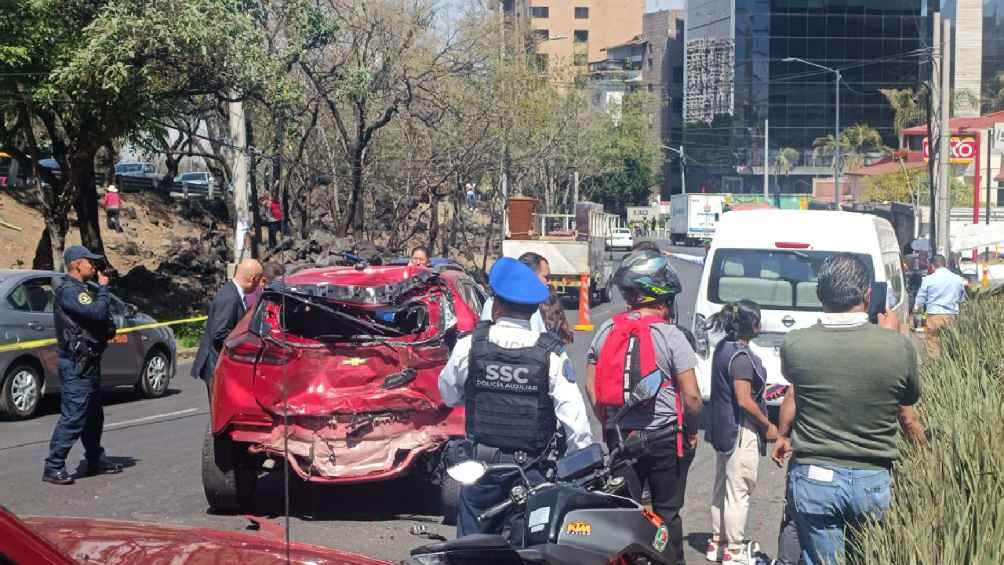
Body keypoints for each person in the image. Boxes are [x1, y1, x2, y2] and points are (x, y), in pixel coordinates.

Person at [771, 253, 926, 565]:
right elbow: (907, 407)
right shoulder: (897, 347)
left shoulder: (796, 344)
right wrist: (894, 336)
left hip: (814, 477)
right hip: (873, 478)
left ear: (818, 295)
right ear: (868, 296)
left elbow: (795, 385)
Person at [439, 257, 593, 537]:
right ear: (535, 309)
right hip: (532, 471)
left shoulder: (469, 345)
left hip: (481, 471)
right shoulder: (552, 354)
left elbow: (448, 395)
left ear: (496, 305)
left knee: (471, 548)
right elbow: (576, 425)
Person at [586, 249, 703, 564]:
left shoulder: (607, 329)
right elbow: (691, 396)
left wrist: (610, 423)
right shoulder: (671, 335)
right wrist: (691, 431)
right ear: (662, 297)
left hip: (622, 437)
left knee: (625, 512)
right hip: (665, 439)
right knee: (667, 511)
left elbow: (591, 386)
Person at [43, 245, 121, 485]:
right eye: (90, 262)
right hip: (77, 364)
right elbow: (96, 312)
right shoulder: (70, 290)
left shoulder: (83, 290)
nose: (94, 266)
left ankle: (95, 459)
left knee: (93, 416)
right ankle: (53, 466)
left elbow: (98, 319)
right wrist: (105, 289)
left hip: (89, 361)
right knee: (74, 415)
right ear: (77, 264)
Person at [705, 300, 776, 564]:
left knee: (721, 488)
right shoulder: (742, 358)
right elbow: (745, 400)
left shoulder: (723, 348)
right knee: (739, 491)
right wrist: (767, 425)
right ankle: (734, 551)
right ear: (752, 325)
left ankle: (717, 542)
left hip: (722, 429)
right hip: (740, 430)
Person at [192, 258, 263, 400]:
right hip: (216, 368)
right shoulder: (230, 298)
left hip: (219, 367)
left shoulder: (231, 292)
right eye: (259, 280)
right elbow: (219, 333)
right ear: (253, 279)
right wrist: (246, 341)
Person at [480, 252, 569, 341]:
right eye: (546, 277)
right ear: (530, 276)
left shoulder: (548, 302)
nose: (549, 282)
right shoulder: (495, 302)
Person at [914, 253, 967, 358]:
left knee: (933, 345)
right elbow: (962, 299)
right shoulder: (958, 279)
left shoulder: (928, 280)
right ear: (945, 264)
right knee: (951, 345)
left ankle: (936, 370)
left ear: (932, 265)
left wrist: (917, 323)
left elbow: (919, 301)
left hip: (933, 317)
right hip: (951, 316)